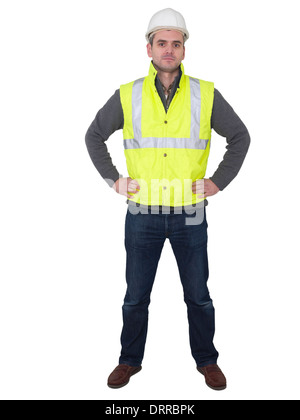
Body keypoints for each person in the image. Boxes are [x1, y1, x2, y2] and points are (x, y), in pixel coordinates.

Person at [85, 8, 250, 391]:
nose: (169, 50)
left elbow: (240, 137)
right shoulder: (127, 94)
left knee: (198, 295)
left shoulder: (204, 93)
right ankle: (129, 361)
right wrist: (113, 180)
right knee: (135, 296)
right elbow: (94, 135)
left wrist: (218, 182)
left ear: (184, 50)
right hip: (142, 212)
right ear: (149, 49)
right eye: (162, 43)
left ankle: (207, 361)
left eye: (176, 44)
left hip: (190, 213)